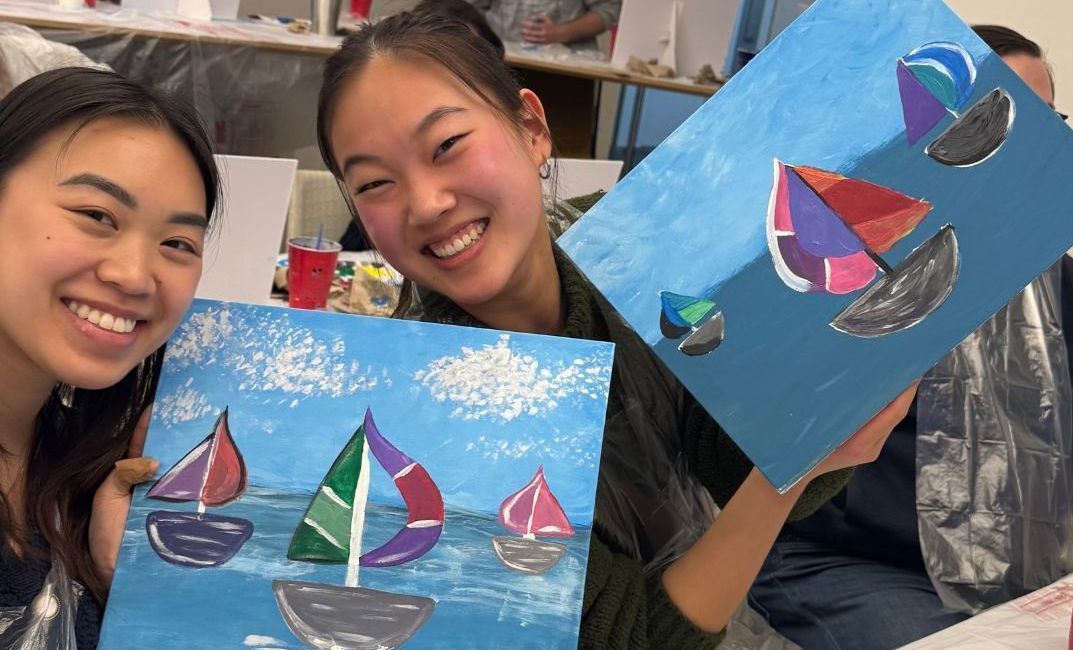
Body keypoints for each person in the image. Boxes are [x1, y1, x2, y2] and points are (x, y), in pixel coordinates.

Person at [315, 12, 915, 648]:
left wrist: (821, 408)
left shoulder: (638, 249)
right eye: (375, 183)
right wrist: (787, 471)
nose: (427, 202)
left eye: (447, 146)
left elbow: (733, 461)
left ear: (531, 127)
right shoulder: (417, 407)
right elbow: (630, 639)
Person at [748, 25, 1072, 650]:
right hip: (848, 556)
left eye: (1041, 119)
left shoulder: (1049, 275)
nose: (1010, 142)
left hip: (1016, 557)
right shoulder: (852, 268)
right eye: (984, 117)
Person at [0, 67, 219, 649]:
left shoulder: (79, 465)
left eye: (177, 244)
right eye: (97, 216)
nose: (134, 275)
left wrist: (114, 588)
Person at [464, 0, 620, 50]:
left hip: (566, 72)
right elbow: (467, 7)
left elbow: (609, 9)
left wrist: (562, 32)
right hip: (500, 61)